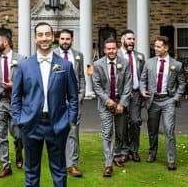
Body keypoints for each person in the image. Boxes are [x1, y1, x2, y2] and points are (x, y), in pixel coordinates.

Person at [10, 20, 80, 187]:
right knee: (31, 169)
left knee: (58, 169)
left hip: (57, 124)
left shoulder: (65, 66)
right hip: (31, 125)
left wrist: (70, 121)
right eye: (40, 35)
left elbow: (73, 97)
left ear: (53, 37)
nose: (44, 38)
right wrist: (19, 119)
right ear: (35, 38)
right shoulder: (24, 66)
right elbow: (16, 97)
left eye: (47, 34)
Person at [141, 35, 184, 170]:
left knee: (169, 130)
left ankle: (171, 159)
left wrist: (175, 99)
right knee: (152, 130)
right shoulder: (149, 62)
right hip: (153, 101)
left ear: (166, 48)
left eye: (158, 46)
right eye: (155, 46)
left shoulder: (176, 65)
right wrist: (143, 90)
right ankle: (152, 153)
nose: (156, 49)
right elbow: (143, 80)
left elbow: (181, 84)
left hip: (168, 101)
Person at [91, 35, 131, 176]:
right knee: (107, 132)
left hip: (121, 103)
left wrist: (122, 103)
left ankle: (117, 155)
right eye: (109, 49)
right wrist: (107, 100)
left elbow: (128, 85)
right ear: (104, 50)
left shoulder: (125, 63)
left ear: (117, 49)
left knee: (120, 133)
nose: (111, 51)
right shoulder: (97, 65)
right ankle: (108, 164)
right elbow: (96, 86)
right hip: (105, 104)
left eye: (114, 48)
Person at [0, 29, 24, 178]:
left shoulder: (21, 59)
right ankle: (5, 165)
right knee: (0, 135)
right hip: (0, 102)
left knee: (18, 134)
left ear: (6, 42)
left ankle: (19, 151)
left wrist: (13, 85)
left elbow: (26, 82)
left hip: (16, 102)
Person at [55, 29, 86, 176]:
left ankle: (72, 164)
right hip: (57, 101)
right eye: (62, 39)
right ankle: (59, 162)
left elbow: (81, 77)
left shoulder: (78, 56)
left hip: (74, 100)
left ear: (72, 40)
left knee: (73, 131)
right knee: (57, 131)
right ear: (58, 40)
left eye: (68, 39)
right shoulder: (52, 55)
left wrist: (82, 93)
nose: (65, 41)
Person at [118, 29, 148, 162]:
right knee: (122, 124)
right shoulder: (116, 54)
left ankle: (134, 150)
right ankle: (124, 151)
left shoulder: (140, 56)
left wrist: (142, 93)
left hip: (136, 94)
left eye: (133, 39)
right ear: (122, 40)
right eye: (129, 39)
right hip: (121, 96)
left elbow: (143, 76)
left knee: (135, 121)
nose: (132, 41)